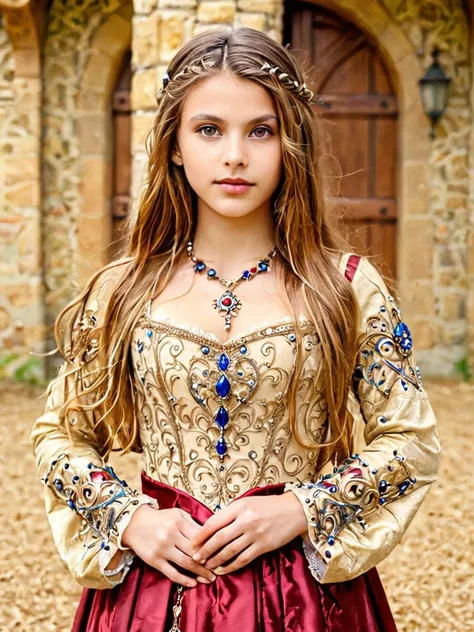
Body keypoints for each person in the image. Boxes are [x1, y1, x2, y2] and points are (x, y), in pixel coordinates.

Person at [30, 26, 441, 632]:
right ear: (174, 144)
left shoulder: (347, 287)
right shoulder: (124, 290)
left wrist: (303, 508)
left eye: (260, 131)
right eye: (208, 129)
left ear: (289, 141)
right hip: (155, 590)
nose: (234, 156)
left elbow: (411, 441)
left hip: (305, 595)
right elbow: (59, 436)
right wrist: (129, 519)